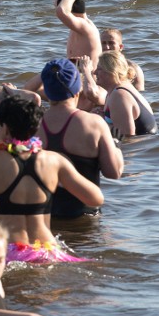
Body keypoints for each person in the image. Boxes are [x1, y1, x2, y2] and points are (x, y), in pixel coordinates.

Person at [0, 96, 103, 262]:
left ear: (5, 128)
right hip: (47, 251)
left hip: (8, 252)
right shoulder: (54, 160)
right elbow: (95, 198)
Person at [37, 58, 123, 219]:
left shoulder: (33, 125)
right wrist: (116, 145)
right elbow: (114, 173)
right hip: (85, 219)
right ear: (78, 90)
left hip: (44, 218)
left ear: (47, 92)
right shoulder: (94, 123)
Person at [96, 51, 157, 137]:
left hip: (141, 148)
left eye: (99, 69)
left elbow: (127, 138)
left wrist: (99, 123)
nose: (95, 72)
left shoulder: (119, 95)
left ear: (111, 72)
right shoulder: (119, 90)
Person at [54, 0, 101, 66]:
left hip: (88, 75)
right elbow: (57, 4)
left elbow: (61, 11)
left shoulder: (85, 25)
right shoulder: (79, 25)